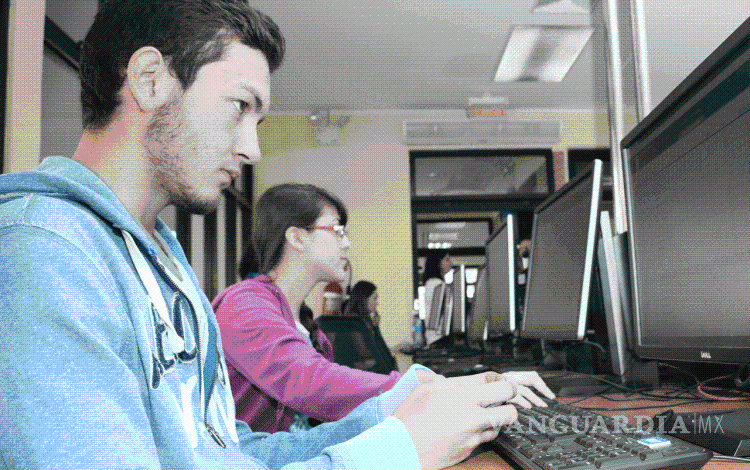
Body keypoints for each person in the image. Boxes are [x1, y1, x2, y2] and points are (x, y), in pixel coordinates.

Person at [0, 1, 554, 468]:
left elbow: (230, 453)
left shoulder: (160, 261)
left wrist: (406, 415)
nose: (252, 149)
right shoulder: (43, 255)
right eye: (240, 106)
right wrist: (401, 450)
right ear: (149, 81)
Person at [213, 184, 403, 433]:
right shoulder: (243, 304)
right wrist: (409, 388)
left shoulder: (309, 329)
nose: (346, 243)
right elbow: (308, 381)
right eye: (337, 231)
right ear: (297, 238)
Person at [422, 248, 453, 332]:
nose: (451, 263)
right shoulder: (437, 284)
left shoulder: (431, 282)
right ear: (438, 263)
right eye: (447, 260)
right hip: (438, 334)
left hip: (433, 334)